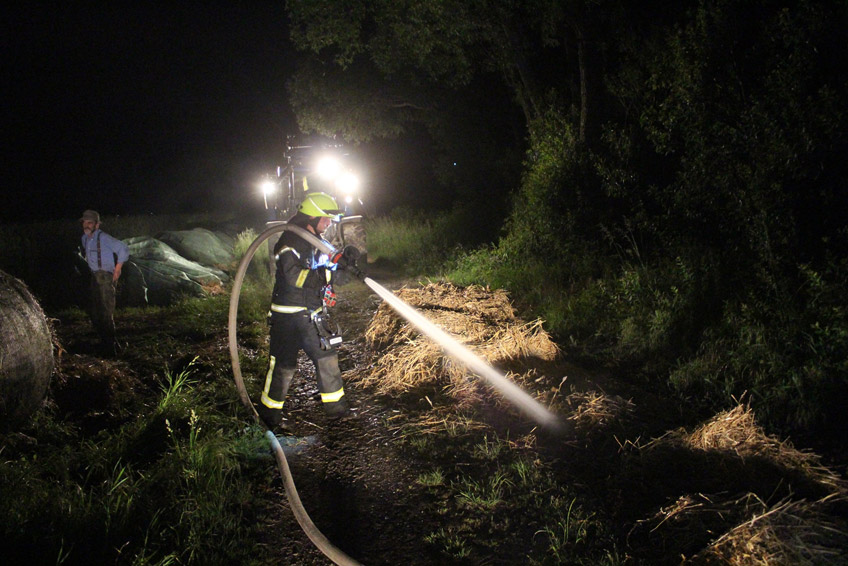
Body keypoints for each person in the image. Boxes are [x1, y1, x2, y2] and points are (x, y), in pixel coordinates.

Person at [257, 192, 362, 429]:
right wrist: (327, 275)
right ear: (312, 217)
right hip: (289, 315)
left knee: (326, 358)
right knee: (283, 364)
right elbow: (295, 275)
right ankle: (269, 416)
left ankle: (337, 410)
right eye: (325, 219)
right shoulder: (289, 241)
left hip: (308, 312)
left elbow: (328, 262)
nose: (329, 224)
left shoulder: (316, 239)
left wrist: (345, 261)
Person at [79, 210, 129, 356]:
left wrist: (118, 269)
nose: (86, 225)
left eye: (89, 222)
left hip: (105, 277)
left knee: (105, 313)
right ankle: (106, 341)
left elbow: (123, 249)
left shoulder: (104, 238)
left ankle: (111, 348)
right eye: (84, 222)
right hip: (94, 277)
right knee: (95, 312)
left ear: (97, 224)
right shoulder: (85, 239)